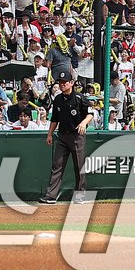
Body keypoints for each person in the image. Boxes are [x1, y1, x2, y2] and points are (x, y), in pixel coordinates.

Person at [38, 67, 92, 205]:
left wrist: (84, 123)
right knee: (57, 165)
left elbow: (90, 113)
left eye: (65, 82)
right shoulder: (58, 99)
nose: (62, 84)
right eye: (61, 82)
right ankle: (51, 195)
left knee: (79, 166)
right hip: (62, 135)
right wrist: (49, 134)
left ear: (72, 83)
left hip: (76, 136)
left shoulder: (80, 98)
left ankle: (80, 195)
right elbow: (54, 119)